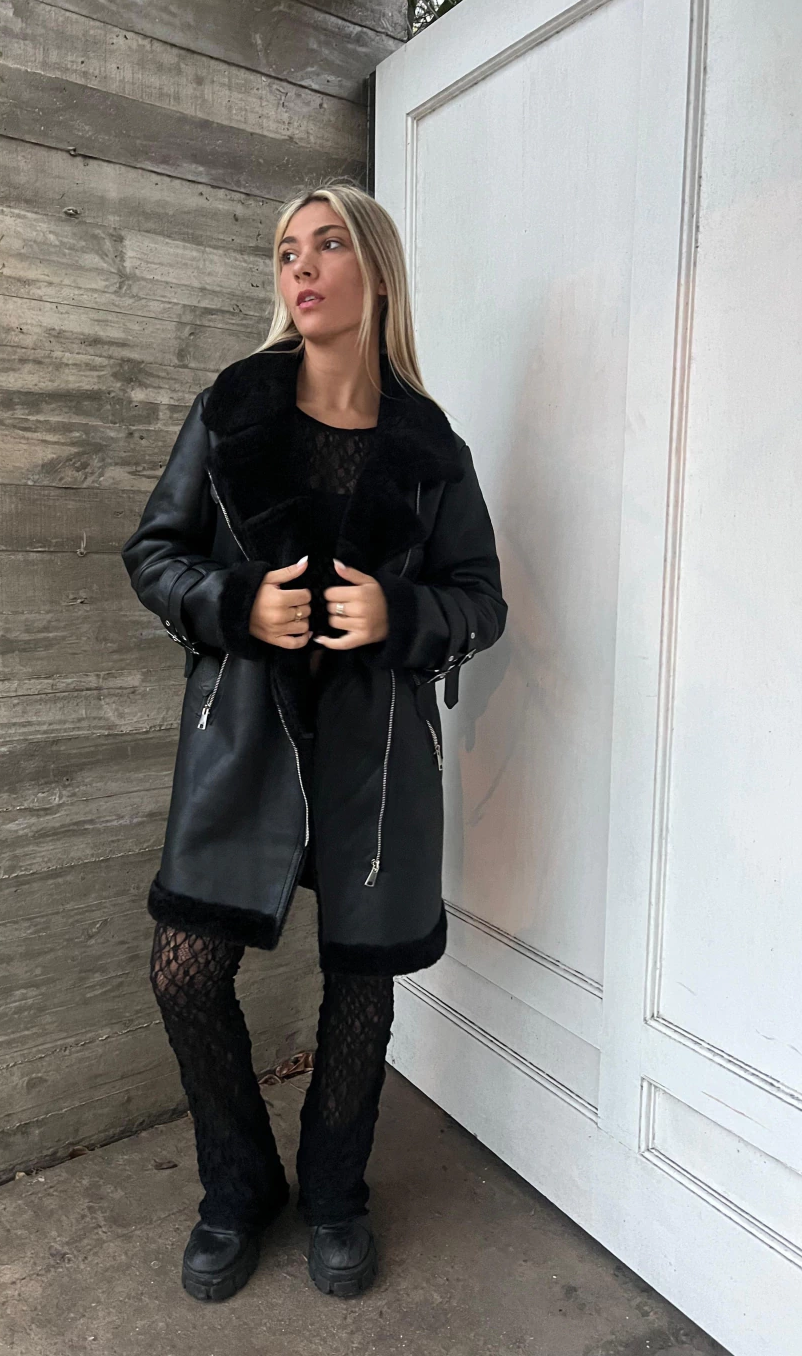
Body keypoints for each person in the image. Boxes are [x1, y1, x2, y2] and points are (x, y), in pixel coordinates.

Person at [120, 179, 506, 1302]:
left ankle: (336, 1193)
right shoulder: (231, 409)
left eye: (328, 244)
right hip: (243, 740)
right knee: (185, 970)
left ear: (374, 271)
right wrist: (236, 602)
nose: (301, 266)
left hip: (375, 756)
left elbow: (481, 598)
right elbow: (155, 553)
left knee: (361, 981)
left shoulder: (431, 448)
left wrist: (404, 615)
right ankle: (239, 1187)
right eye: (288, 249)